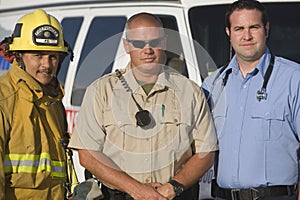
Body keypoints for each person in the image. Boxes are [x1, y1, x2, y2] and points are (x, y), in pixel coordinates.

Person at [68, 12, 218, 200]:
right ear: (127, 45)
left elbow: (206, 152)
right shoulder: (101, 92)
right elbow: (88, 155)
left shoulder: (190, 92)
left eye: (154, 42)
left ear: (164, 42)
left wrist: (172, 188)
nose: (147, 49)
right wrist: (136, 190)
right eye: (139, 44)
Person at [202, 0, 300, 199]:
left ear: (266, 28)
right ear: (229, 33)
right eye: (239, 29)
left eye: (253, 27)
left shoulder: (293, 78)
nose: (246, 36)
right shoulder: (212, 84)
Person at [0, 9, 74, 199]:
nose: (46, 65)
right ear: (19, 56)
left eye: (53, 56)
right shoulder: (4, 99)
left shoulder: (53, 101)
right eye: (38, 55)